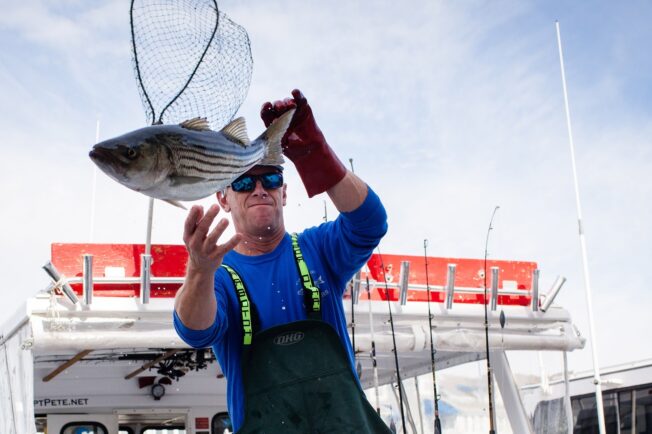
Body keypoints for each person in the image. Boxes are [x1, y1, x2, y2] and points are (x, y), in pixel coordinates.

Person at [173, 89, 390, 433]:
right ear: (223, 198)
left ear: (284, 192)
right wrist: (199, 269)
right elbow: (195, 331)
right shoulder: (220, 275)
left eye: (271, 178)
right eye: (243, 181)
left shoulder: (318, 249)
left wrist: (316, 155)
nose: (259, 188)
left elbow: (370, 223)